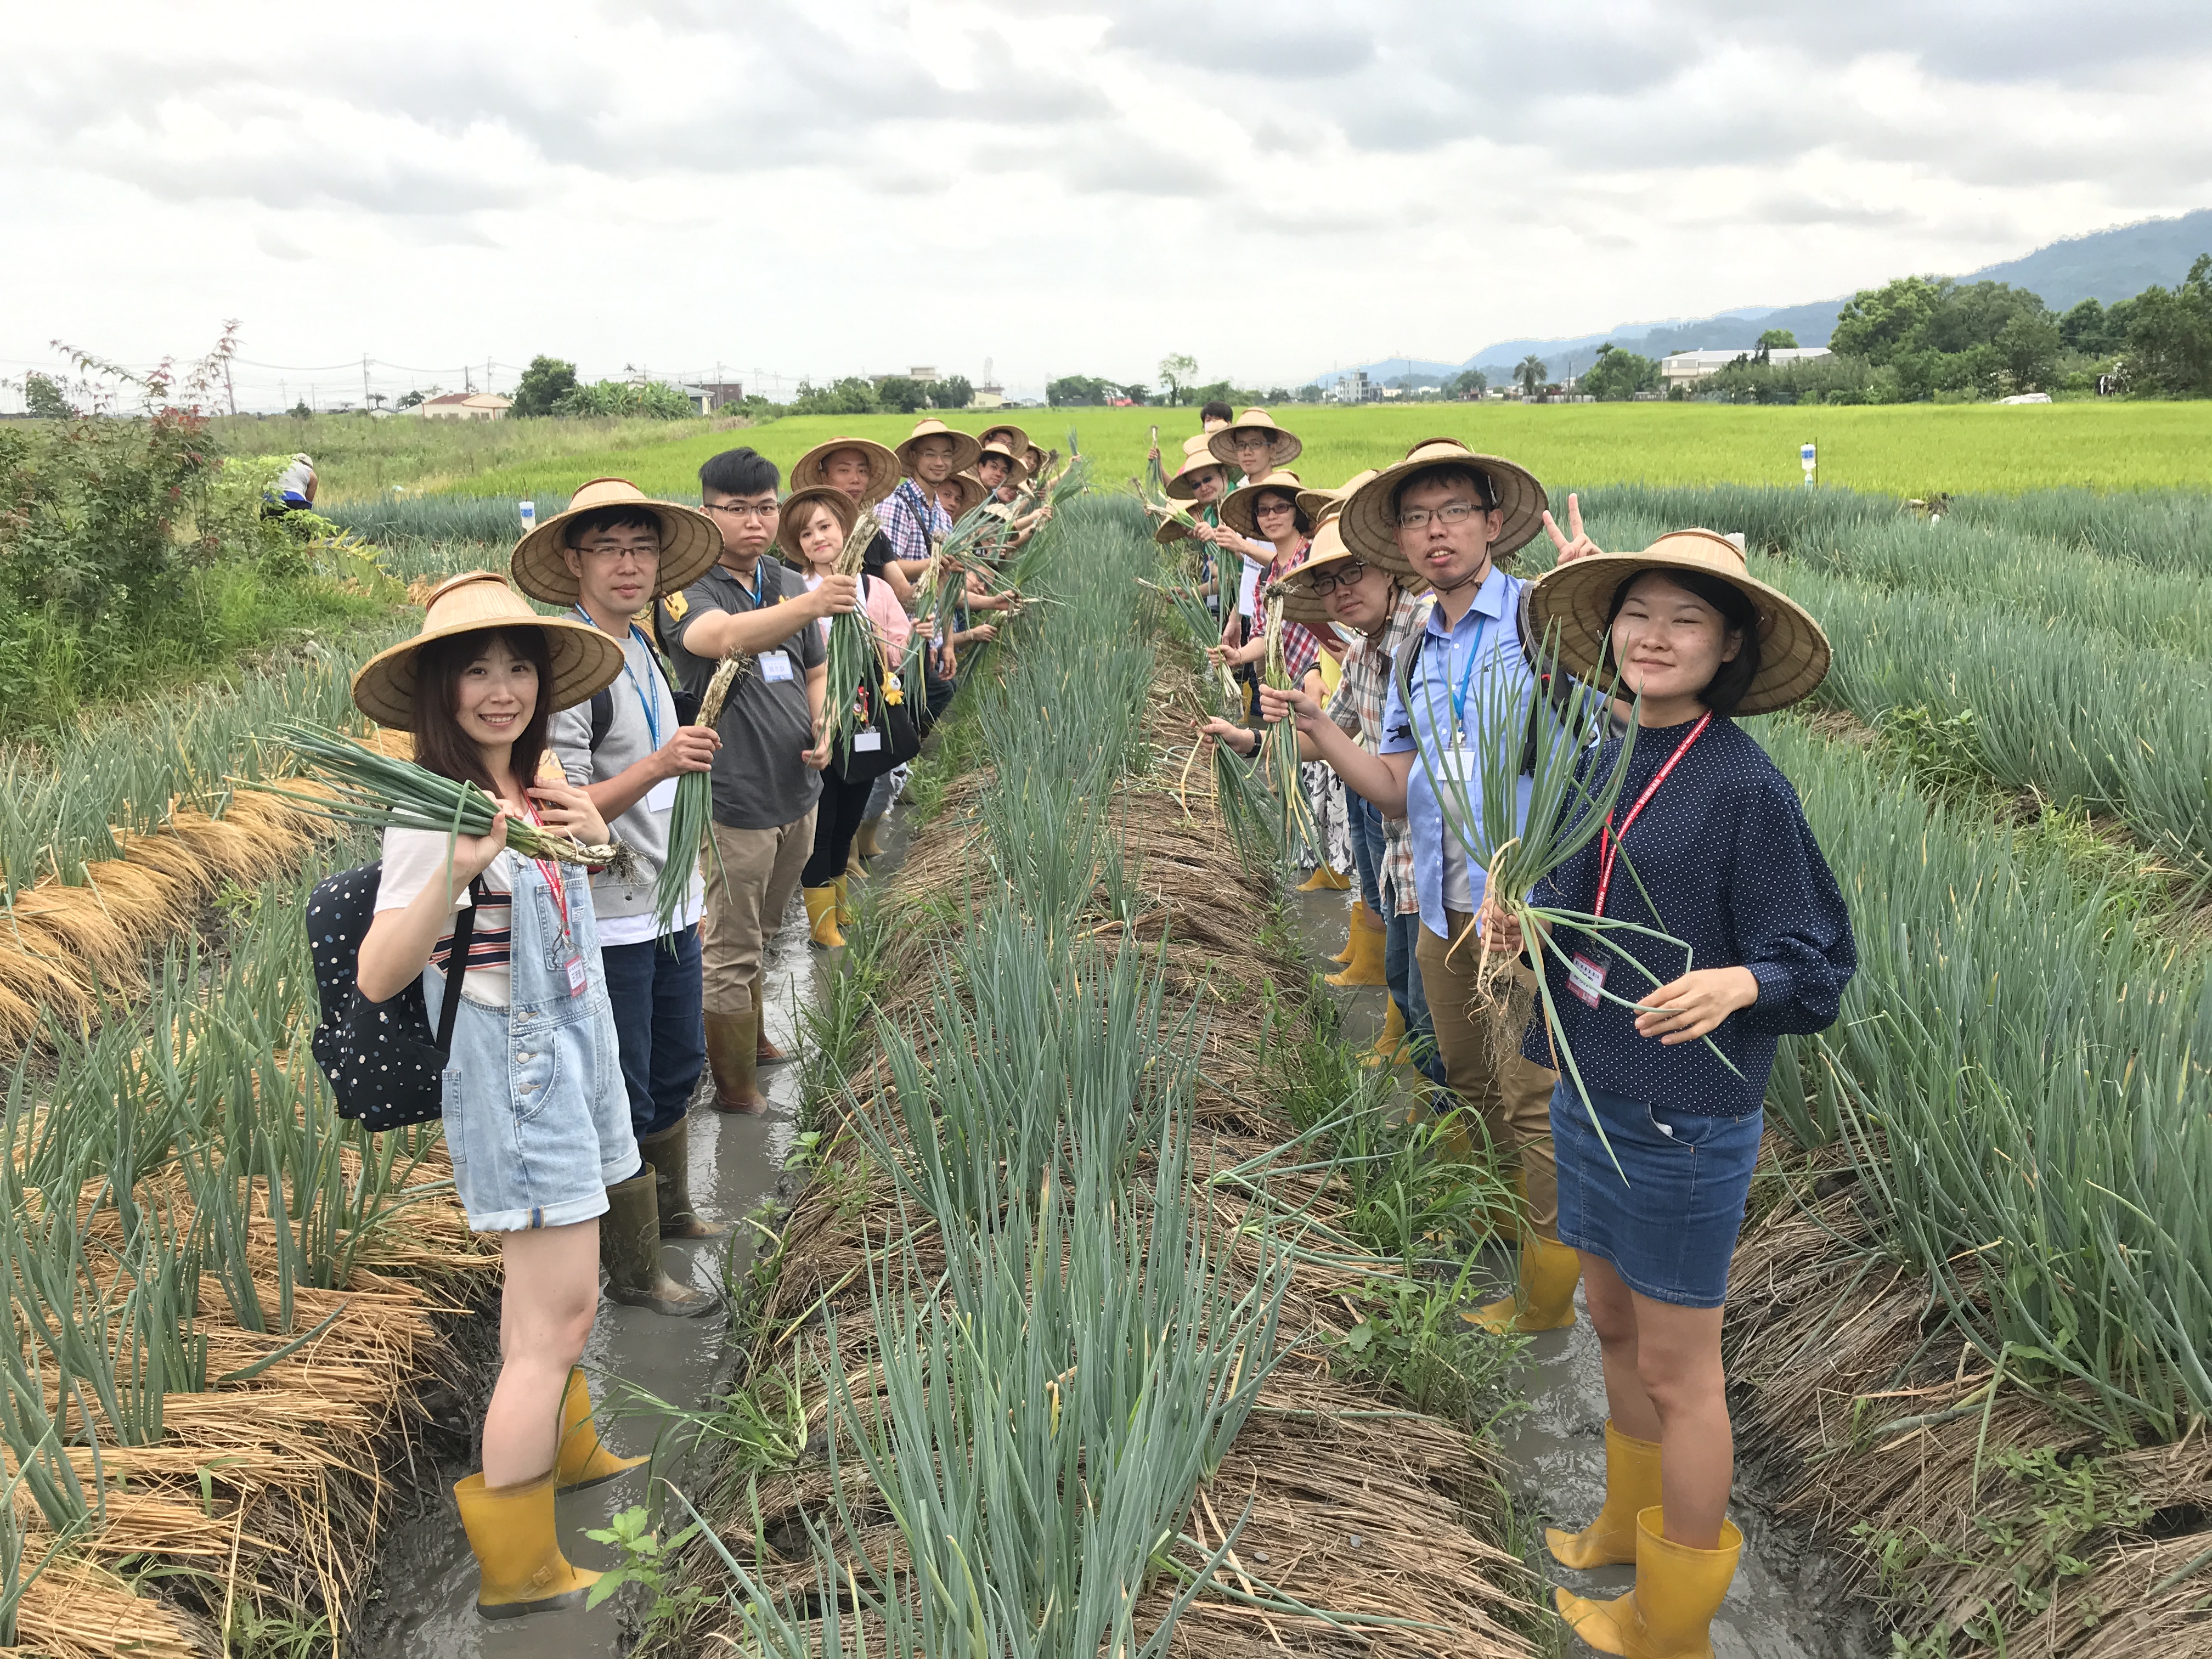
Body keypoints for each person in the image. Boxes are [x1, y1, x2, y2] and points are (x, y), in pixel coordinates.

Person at [1482, 530, 1853, 1657]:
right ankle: (1622, 1528)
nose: (1653, 634)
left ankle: (1673, 1623)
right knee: (1612, 1326)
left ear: (1729, 646)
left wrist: (1742, 980)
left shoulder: (1744, 787)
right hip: (1590, 1089)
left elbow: (1820, 963)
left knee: (1682, 1373)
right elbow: (1568, 895)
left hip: (1684, 1119)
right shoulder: (1600, 752)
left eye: (1685, 620)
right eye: (1637, 611)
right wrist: (1520, 920)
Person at [348, 571, 638, 1618]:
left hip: (572, 1053)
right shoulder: (436, 808)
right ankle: (520, 1571)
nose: (502, 687)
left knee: (565, 1303)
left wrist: (583, 828)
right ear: (438, 688)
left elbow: (572, 879)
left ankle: (573, 1451)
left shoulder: (531, 775)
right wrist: (455, 865)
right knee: (542, 1330)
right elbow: (382, 972)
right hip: (516, 1077)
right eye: (476, 669)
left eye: (519, 665)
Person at [1265, 439, 1600, 1336]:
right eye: (1415, 518)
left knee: (1531, 1096)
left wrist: (1597, 598)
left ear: (1495, 523)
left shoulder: (1543, 619)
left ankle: (1546, 1293)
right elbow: (1391, 784)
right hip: (1439, 902)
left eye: (1452, 511)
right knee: (1462, 1073)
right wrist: (1315, 728)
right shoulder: (1420, 642)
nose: (1434, 531)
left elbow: (1613, 728)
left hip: (1526, 908)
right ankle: (1503, 1230)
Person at [514, 478, 727, 1321]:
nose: (630, 565)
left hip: (668, 903)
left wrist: (693, 883)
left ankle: (671, 1212)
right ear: (574, 561)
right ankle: (636, 1275)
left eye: (643, 548)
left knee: (678, 1067)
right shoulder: (572, 668)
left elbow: (665, 796)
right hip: (608, 921)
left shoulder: (643, 645)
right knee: (626, 1089)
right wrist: (660, 764)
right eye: (610, 549)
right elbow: (558, 815)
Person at [663, 447, 853, 1115]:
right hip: (733, 801)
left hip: (796, 794)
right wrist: (811, 605)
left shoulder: (779, 577)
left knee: (764, 930)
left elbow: (814, 670)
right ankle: (736, 1093)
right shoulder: (687, 586)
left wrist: (823, 722)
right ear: (705, 513)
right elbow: (720, 638)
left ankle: (756, 1038)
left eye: (766, 508)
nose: (755, 522)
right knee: (731, 944)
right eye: (737, 509)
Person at [776, 485, 912, 945]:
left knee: (851, 812)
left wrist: (875, 645)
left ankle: (839, 899)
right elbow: (793, 654)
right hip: (815, 721)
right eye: (806, 533)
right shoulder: (792, 591)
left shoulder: (872, 588)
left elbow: (900, 641)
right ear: (797, 545)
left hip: (865, 717)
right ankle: (821, 923)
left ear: (844, 530)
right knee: (824, 817)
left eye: (825, 527)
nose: (818, 538)